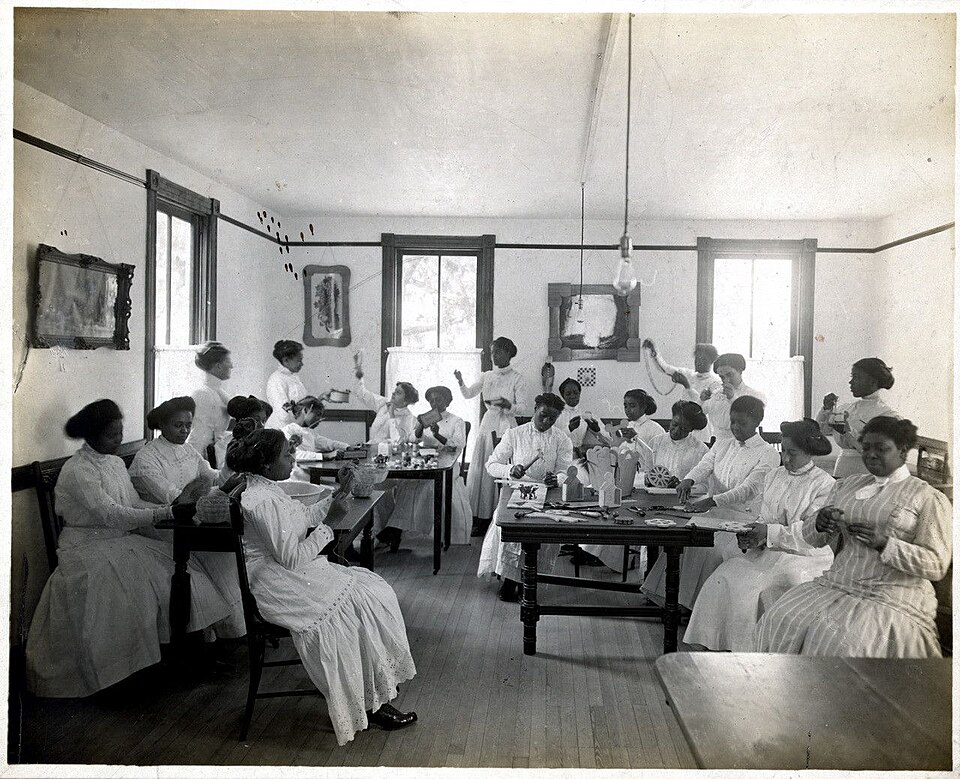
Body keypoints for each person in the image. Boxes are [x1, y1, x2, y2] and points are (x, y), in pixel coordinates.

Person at [25, 400, 240, 697]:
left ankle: (187, 657)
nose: (118, 440)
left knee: (182, 574)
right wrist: (166, 512)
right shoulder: (78, 470)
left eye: (120, 433)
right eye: (111, 435)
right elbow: (112, 514)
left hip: (119, 540)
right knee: (135, 588)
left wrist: (169, 510)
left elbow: (133, 503)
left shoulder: (114, 463)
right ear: (92, 435)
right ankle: (123, 675)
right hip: (86, 547)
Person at [228, 428, 418, 743]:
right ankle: (367, 702)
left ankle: (369, 690)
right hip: (275, 583)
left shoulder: (268, 489)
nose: (293, 458)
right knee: (354, 611)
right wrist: (329, 525)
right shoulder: (260, 500)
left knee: (372, 593)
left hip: (285, 572)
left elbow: (303, 516)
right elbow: (291, 557)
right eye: (287, 454)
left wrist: (338, 493)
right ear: (266, 464)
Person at [758, 417, 951, 658]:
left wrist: (885, 544)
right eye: (866, 448)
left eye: (881, 448)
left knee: (840, 642)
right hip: (839, 582)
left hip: (891, 592)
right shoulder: (847, 486)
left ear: (903, 451)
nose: (871, 455)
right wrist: (819, 523)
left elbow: (936, 565)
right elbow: (813, 539)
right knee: (780, 617)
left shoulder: (927, 497)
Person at [683, 418, 835, 651]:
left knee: (755, 587)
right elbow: (765, 517)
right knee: (722, 576)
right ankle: (714, 642)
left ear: (809, 452)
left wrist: (768, 533)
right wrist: (754, 534)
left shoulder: (824, 484)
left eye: (792, 453)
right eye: (783, 451)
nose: (785, 458)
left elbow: (810, 533)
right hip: (769, 550)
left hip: (804, 555)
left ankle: (748, 651)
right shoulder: (774, 476)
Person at [642, 395, 780, 609]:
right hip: (713, 515)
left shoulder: (768, 453)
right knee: (684, 540)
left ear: (757, 422)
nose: (735, 427)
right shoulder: (722, 445)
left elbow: (748, 489)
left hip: (744, 519)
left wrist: (711, 501)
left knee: (711, 549)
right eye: (732, 421)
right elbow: (705, 466)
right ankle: (674, 601)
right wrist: (689, 480)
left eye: (742, 423)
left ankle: (695, 608)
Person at [128, 396, 246, 637]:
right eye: (178, 425)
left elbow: (213, 477)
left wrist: (230, 465)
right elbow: (176, 499)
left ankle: (232, 629)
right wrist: (206, 489)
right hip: (162, 524)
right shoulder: (147, 458)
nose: (184, 431)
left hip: (188, 518)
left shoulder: (188, 450)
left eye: (188, 425)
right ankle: (214, 632)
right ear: (162, 424)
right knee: (214, 554)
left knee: (229, 553)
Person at [477, 393, 573, 601]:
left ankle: (528, 582)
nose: (546, 421)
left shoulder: (561, 438)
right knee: (511, 529)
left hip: (547, 495)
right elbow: (491, 465)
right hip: (518, 493)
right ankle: (510, 580)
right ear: (535, 409)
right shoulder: (515, 434)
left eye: (552, 418)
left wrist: (556, 479)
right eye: (543, 415)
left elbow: (565, 471)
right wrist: (510, 470)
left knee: (543, 532)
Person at [379, 386, 473, 549]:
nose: (434, 403)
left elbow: (458, 445)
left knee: (428, 487)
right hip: (426, 464)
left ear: (448, 401)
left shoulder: (456, 421)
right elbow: (411, 439)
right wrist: (420, 427)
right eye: (431, 400)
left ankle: (399, 530)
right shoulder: (426, 418)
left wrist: (438, 435)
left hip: (447, 467)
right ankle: (397, 530)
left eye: (439, 400)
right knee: (407, 485)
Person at [455, 337, 531, 537]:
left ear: (508, 353)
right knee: (484, 471)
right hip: (488, 424)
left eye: (498, 352)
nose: (494, 356)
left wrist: (508, 406)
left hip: (507, 425)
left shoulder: (517, 378)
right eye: (492, 352)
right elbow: (468, 394)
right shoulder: (486, 375)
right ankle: (482, 518)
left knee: (503, 468)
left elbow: (523, 408)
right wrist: (461, 381)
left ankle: (504, 516)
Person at [817, 357, 898, 477]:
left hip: (866, 471)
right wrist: (827, 409)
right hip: (842, 467)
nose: (851, 382)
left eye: (856, 377)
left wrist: (847, 433)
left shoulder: (886, 414)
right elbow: (822, 430)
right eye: (852, 377)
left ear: (872, 381)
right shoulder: (846, 408)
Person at [642, 339, 721, 442]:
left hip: (700, 429)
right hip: (681, 425)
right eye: (697, 358)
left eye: (703, 359)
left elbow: (703, 409)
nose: (698, 362)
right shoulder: (689, 374)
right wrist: (654, 351)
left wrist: (687, 386)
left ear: (711, 361)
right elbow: (665, 368)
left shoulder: (715, 382)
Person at [186, 341, 233, 467]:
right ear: (218, 366)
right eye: (228, 361)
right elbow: (199, 436)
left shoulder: (220, 393)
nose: (231, 366)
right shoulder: (202, 394)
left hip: (216, 455)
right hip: (203, 458)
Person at [700, 353, 765, 443]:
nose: (726, 380)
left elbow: (752, 418)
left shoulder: (753, 394)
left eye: (730, 375)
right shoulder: (716, 393)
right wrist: (702, 400)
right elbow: (700, 414)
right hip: (716, 442)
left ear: (740, 370)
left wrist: (733, 399)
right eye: (722, 377)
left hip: (741, 442)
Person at [642, 400, 710, 485]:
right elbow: (646, 471)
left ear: (691, 429)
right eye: (674, 424)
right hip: (654, 492)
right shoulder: (655, 442)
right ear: (671, 419)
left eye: (683, 428)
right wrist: (648, 479)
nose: (676, 431)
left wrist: (682, 484)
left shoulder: (701, 450)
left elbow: (705, 485)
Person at [354, 359, 418, 444]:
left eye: (398, 393)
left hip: (389, 451)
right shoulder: (383, 403)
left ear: (406, 400)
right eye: (395, 391)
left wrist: (392, 415)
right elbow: (361, 394)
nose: (393, 393)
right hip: (371, 446)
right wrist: (359, 374)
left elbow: (397, 441)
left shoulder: (409, 417)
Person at [265, 340, 309, 429]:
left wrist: (321, 397)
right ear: (286, 361)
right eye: (299, 360)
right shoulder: (276, 380)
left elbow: (304, 403)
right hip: (280, 430)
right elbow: (284, 415)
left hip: (294, 427)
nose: (302, 364)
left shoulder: (294, 378)